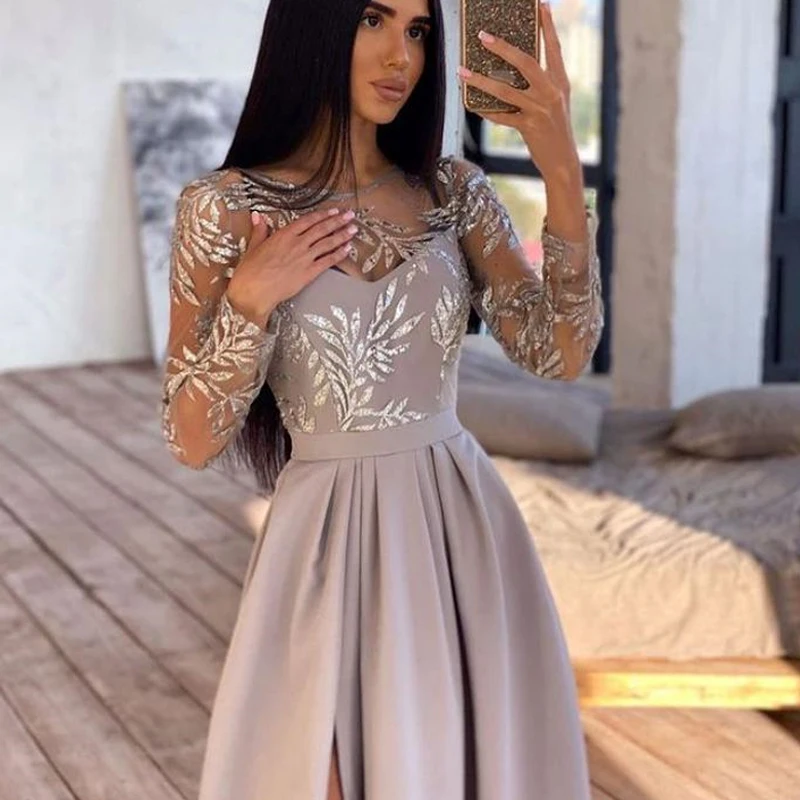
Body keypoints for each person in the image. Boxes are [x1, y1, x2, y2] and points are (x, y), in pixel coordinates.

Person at [160, 0, 603, 797]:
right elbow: (191, 440)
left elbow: (559, 352)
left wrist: (562, 171)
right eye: (373, 19)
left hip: (457, 531)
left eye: (418, 30)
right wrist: (250, 302)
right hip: (323, 541)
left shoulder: (453, 193)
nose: (402, 55)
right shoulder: (225, 208)